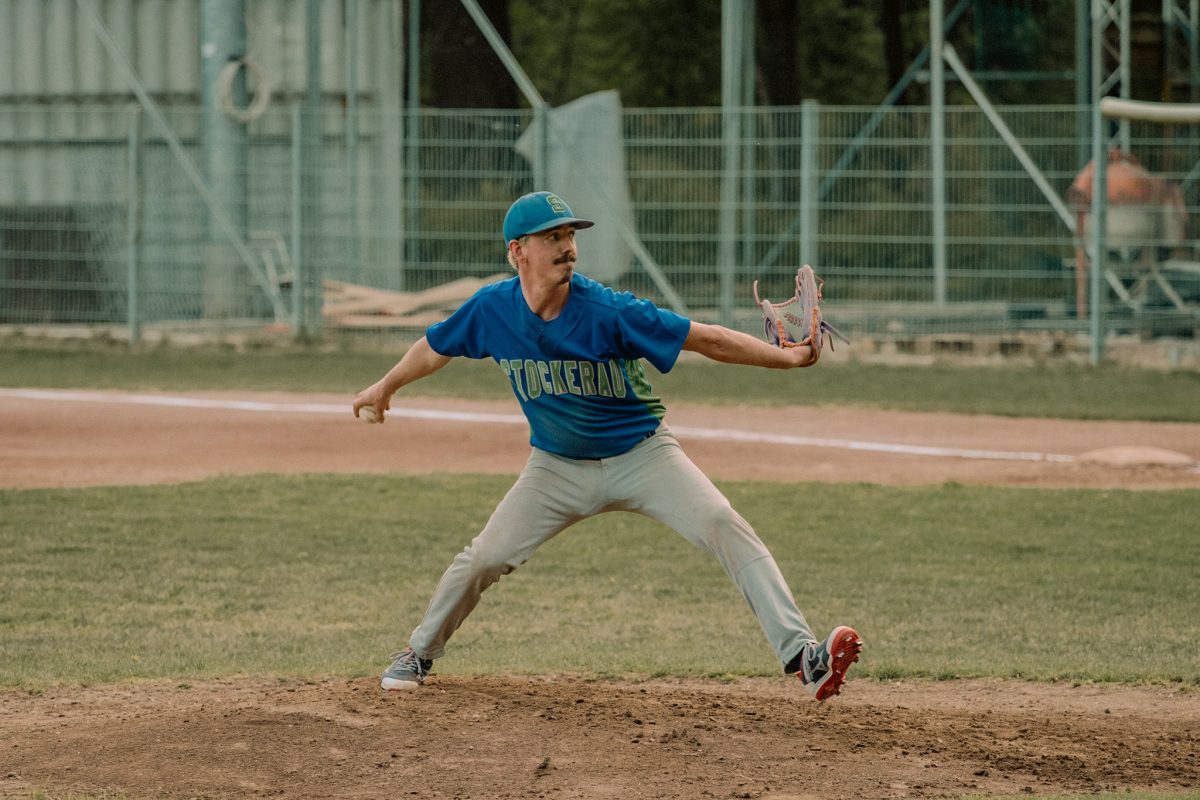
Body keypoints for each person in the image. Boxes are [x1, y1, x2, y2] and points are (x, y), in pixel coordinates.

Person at [353, 191, 861, 701]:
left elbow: (705, 339)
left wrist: (789, 360)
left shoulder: (608, 310)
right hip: (555, 467)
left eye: (571, 235)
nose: (568, 247)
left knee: (723, 524)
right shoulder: (492, 310)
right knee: (485, 557)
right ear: (517, 252)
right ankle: (419, 652)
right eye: (553, 236)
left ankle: (804, 657)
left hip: (643, 456)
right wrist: (386, 386)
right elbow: (434, 345)